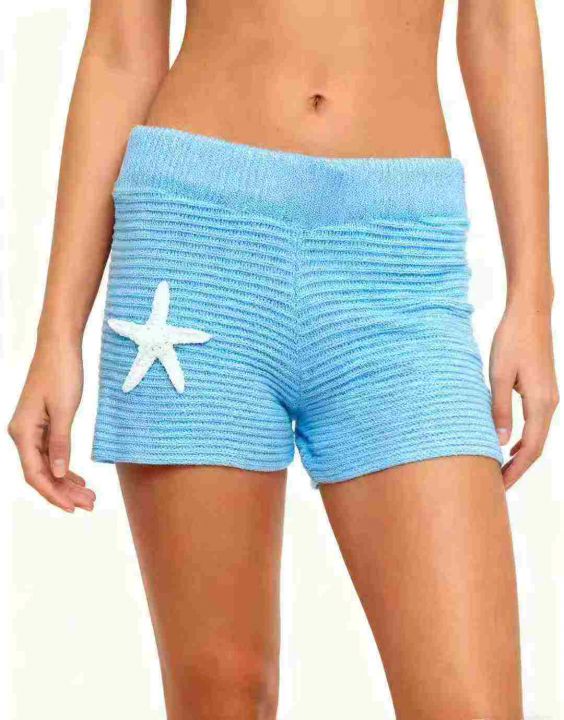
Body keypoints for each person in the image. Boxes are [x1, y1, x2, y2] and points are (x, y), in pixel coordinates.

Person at [8, 0, 558, 718]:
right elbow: (121, 47)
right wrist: (57, 332)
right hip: (197, 249)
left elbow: (500, 25)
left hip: (398, 266)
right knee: (223, 699)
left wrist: (533, 297)